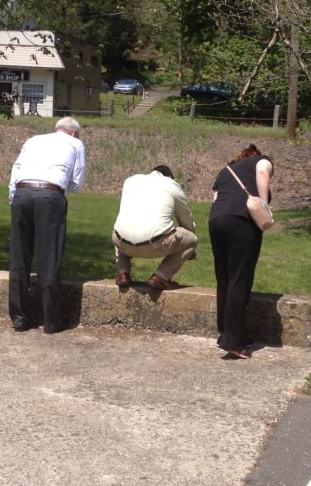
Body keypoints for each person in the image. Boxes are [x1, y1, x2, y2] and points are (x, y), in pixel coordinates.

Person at [8, 116, 86, 333]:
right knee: (49, 257)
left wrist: (14, 199)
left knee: (19, 256)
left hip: (22, 193)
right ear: (73, 133)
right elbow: (77, 184)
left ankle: (19, 317)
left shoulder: (33, 140)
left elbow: (15, 171)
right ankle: (50, 321)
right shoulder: (75, 143)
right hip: (50, 196)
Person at [208, 144, 274, 359]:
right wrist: (264, 205)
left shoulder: (225, 171)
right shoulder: (262, 160)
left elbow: (216, 199)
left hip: (216, 220)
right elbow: (263, 170)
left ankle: (225, 333)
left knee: (225, 278)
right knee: (239, 279)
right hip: (241, 221)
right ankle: (234, 341)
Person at [112, 165, 198, 289]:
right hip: (155, 244)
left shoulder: (130, 181)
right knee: (192, 239)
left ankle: (123, 273)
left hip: (122, 243)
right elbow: (186, 222)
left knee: (120, 231)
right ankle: (161, 277)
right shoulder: (172, 185)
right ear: (169, 177)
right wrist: (189, 249)